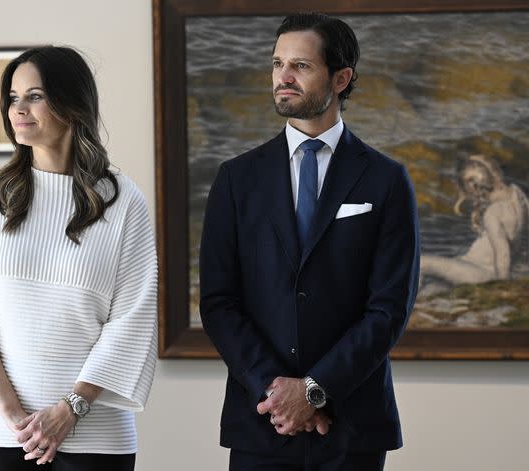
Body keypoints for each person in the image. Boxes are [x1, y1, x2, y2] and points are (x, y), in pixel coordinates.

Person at [199, 12, 420, 471]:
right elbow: (219, 302)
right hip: (262, 420)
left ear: (341, 78)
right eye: (277, 63)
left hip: (353, 423)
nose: (283, 77)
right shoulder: (237, 179)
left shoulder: (386, 180)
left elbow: (389, 308)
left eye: (300, 66)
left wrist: (316, 390)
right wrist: (278, 393)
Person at [0, 46, 157, 471]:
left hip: (96, 433)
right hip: (0, 430)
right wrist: (15, 417)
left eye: (34, 96)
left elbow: (132, 318)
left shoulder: (122, 201)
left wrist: (71, 409)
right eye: (13, 97)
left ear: (72, 104)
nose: (18, 108)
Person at [420, 154, 529, 293]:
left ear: (475, 189)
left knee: (420, 263)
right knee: (433, 289)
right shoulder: (519, 196)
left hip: (482, 272)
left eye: (469, 194)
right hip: (476, 268)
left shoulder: (493, 212)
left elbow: (503, 255)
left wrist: (502, 288)